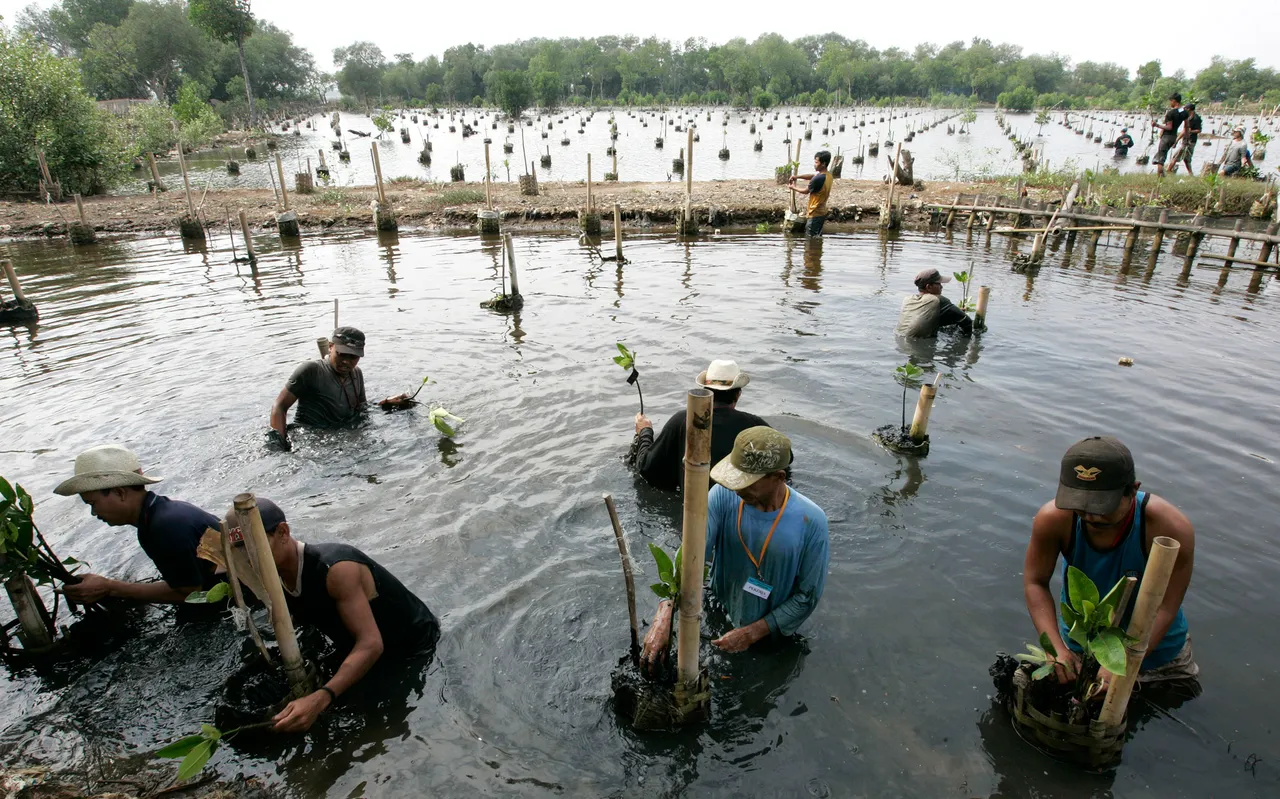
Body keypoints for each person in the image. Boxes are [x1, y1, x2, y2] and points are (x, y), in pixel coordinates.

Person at [223, 498, 439, 732]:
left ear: (283, 532)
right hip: (352, 642)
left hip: (411, 647)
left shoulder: (336, 569)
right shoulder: (271, 577)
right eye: (240, 550)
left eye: (254, 547)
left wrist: (320, 698)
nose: (248, 559)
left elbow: (370, 644)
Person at [640, 427, 829, 668]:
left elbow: (807, 596)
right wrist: (665, 612)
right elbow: (691, 555)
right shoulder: (722, 496)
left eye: (748, 483)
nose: (738, 489)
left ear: (778, 477)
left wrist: (752, 633)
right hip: (718, 606)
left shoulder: (812, 521)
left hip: (770, 631)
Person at [1023, 436, 1198, 689]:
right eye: (1080, 504)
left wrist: (1122, 662)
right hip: (1083, 647)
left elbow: (1166, 607)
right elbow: (1035, 582)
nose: (1090, 515)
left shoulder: (1169, 528)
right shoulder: (1054, 520)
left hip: (1159, 656)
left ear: (1133, 489)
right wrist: (1057, 650)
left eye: (1102, 506)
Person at [53, 445, 219, 603]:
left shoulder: (164, 527)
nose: (93, 513)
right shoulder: (160, 514)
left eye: (92, 503)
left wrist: (110, 588)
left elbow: (191, 594)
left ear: (120, 493)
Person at [631, 359, 770, 491]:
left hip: (693, 507)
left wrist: (645, 431)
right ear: (738, 394)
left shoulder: (682, 421)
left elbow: (647, 468)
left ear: (705, 390)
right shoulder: (756, 427)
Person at [269, 327, 408, 449]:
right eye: (341, 354)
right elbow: (279, 407)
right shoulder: (311, 370)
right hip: (309, 438)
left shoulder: (357, 374)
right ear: (330, 347)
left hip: (341, 437)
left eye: (353, 357)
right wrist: (281, 446)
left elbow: (362, 409)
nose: (346, 361)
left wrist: (386, 404)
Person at [895, 268, 973, 338]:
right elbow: (967, 322)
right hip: (923, 346)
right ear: (929, 287)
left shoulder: (908, 299)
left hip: (900, 341)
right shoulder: (938, 299)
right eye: (939, 284)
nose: (941, 287)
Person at [788, 150, 834, 237]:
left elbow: (806, 191)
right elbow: (813, 176)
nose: (815, 164)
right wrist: (797, 177)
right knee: (817, 237)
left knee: (810, 239)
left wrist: (793, 187)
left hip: (814, 213)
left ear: (823, 164)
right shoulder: (828, 176)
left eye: (816, 162)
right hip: (822, 212)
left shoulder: (818, 179)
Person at [1151, 93, 1187, 177]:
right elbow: (1186, 126)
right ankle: (1162, 175)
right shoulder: (1184, 112)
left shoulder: (1170, 113)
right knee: (1163, 155)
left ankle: (1160, 177)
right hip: (1174, 137)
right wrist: (1186, 138)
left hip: (1167, 136)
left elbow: (1169, 127)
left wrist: (1156, 125)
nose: (1170, 103)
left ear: (1174, 101)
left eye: (1170, 101)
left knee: (1160, 158)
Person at [1168, 103, 1201, 175]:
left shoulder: (1196, 118)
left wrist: (1177, 140)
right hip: (1186, 140)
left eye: (1185, 109)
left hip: (1190, 141)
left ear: (1189, 109)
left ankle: (1168, 171)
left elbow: (1198, 130)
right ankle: (1191, 174)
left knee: (1176, 157)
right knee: (1187, 160)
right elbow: (1184, 130)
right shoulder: (1188, 117)